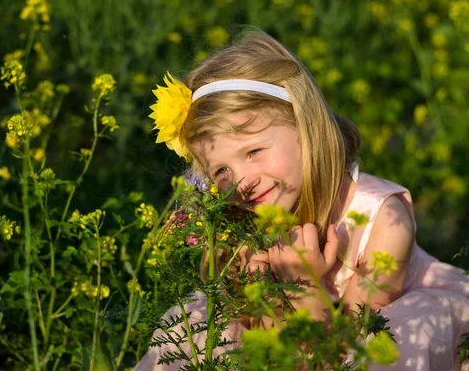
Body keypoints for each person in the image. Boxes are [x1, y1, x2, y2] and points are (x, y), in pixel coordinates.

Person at [134, 30, 469, 370]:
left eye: (253, 151)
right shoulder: (243, 231)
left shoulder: (383, 219)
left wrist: (303, 286)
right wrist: (274, 304)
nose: (242, 183)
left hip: (371, 342)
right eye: (221, 170)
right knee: (196, 322)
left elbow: (344, 356)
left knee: (408, 329)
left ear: (304, 126)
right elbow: (282, 356)